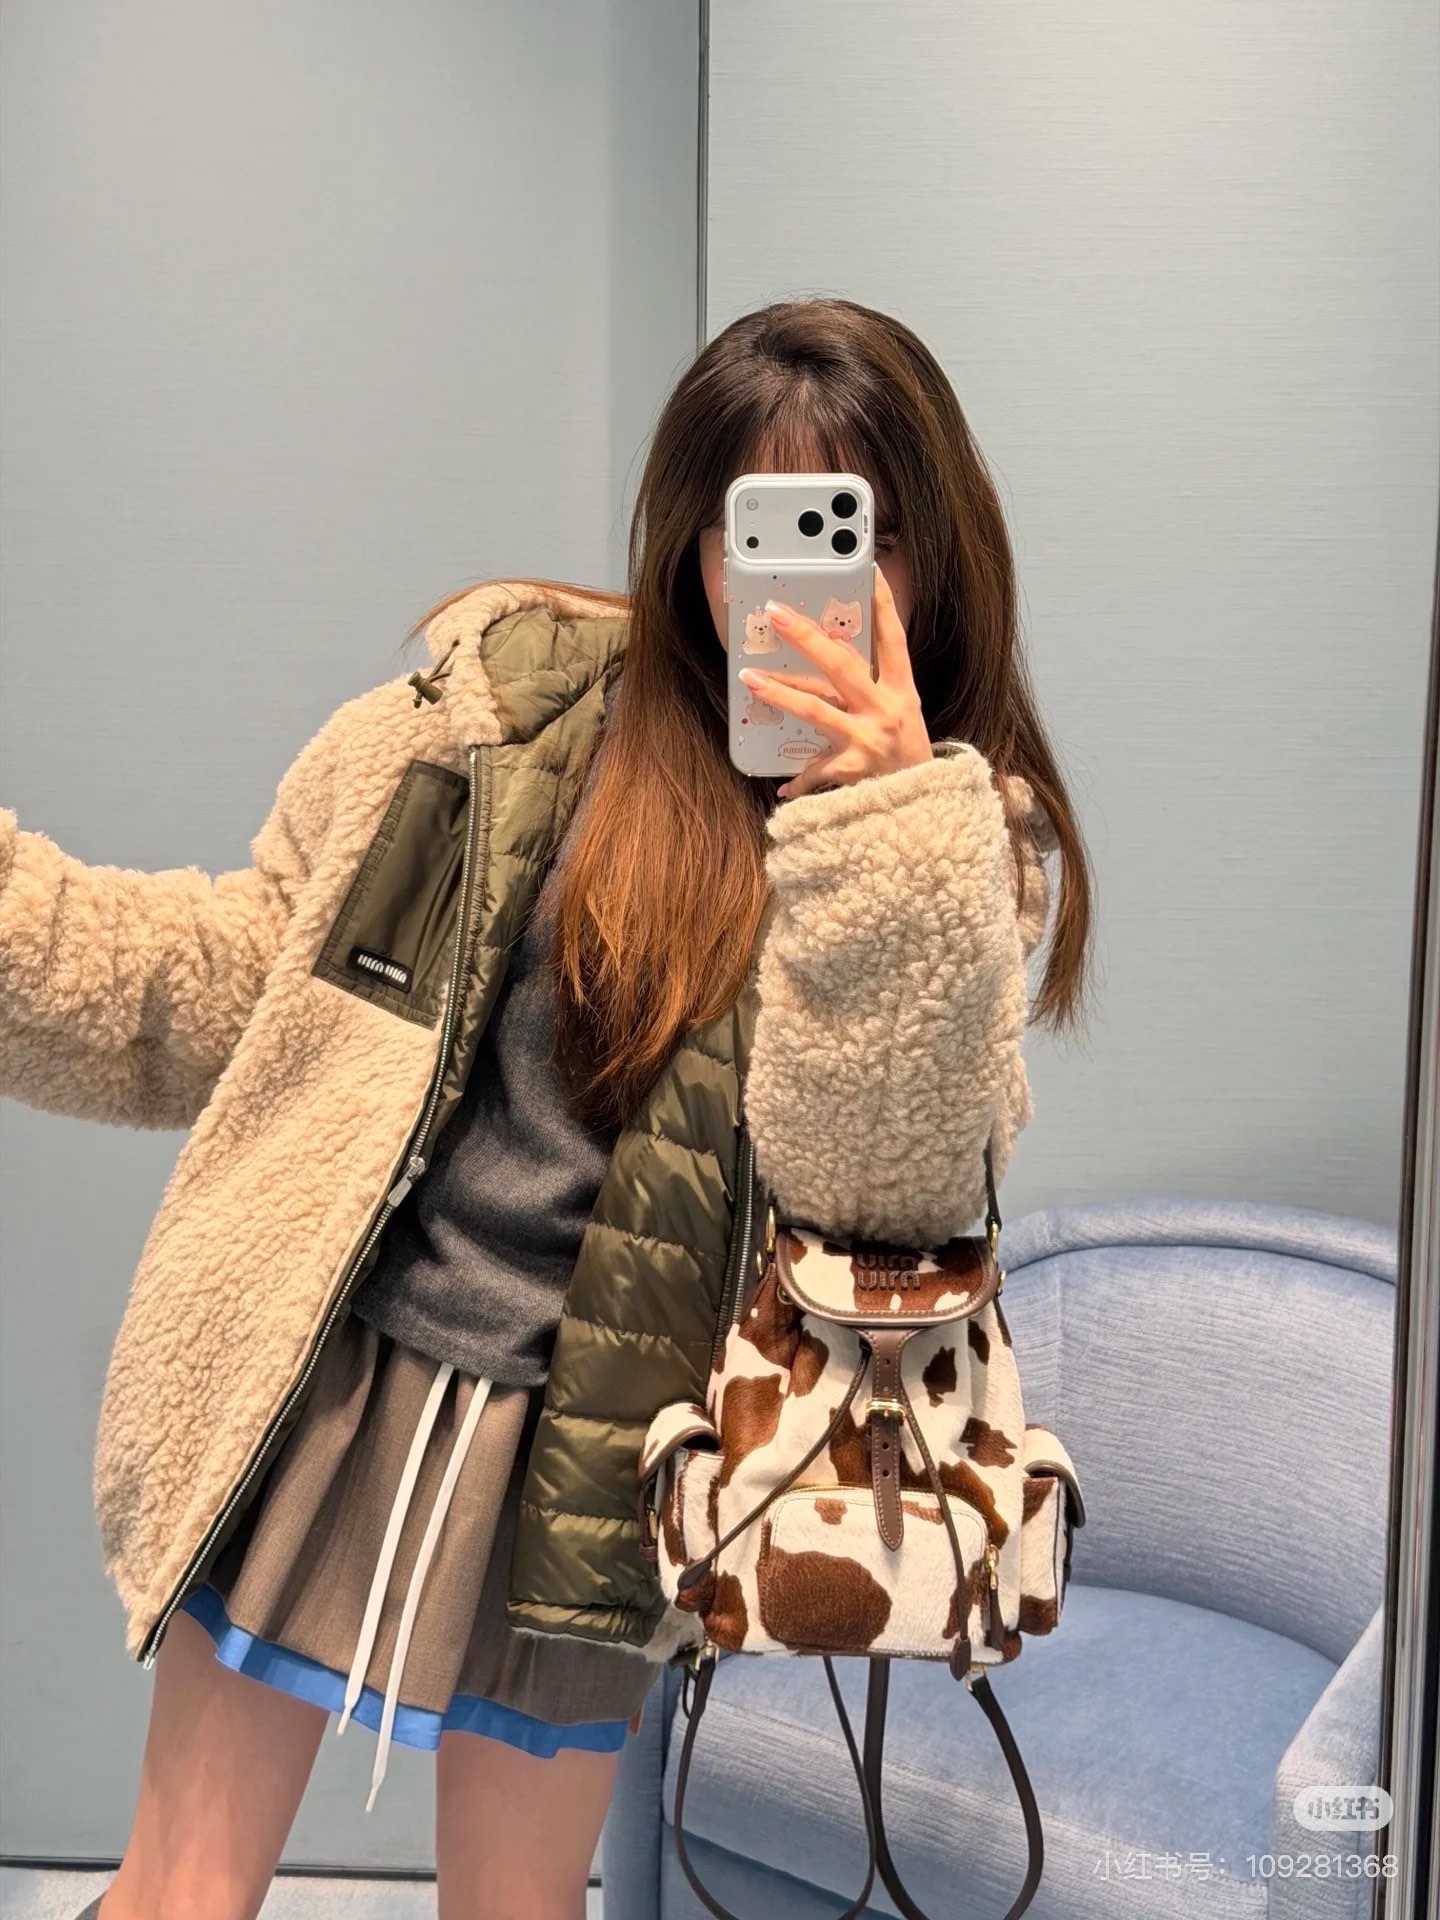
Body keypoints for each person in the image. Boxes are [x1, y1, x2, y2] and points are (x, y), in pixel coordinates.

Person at [0, 296, 1093, 1920]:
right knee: (181, 1898)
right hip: (335, 1386)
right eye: (754, 532)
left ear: (932, 559)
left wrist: (880, 841)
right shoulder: (501, 716)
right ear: (692, 541)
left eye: (850, 534)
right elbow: (234, 978)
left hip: (601, 1456)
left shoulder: (958, 846)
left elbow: (880, 1196)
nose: (790, 590)